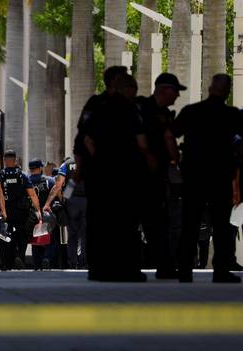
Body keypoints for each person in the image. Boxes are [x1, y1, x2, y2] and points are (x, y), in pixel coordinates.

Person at [172, 74, 243, 283]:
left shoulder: (192, 112)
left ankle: (185, 269)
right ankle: (220, 271)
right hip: (221, 177)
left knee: (190, 224)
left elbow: (170, 133)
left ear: (210, 88)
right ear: (228, 91)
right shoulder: (233, 115)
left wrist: (176, 158)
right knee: (221, 226)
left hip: (194, 176)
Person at [82, 73, 147, 282]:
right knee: (126, 223)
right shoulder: (130, 109)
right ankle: (127, 269)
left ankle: (98, 269)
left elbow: (87, 138)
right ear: (126, 89)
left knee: (100, 222)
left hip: (102, 174)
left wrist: (98, 162)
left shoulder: (97, 107)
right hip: (125, 174)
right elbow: (141, 141)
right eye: (133, 90)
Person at [134, 73, 183, 278]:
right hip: (141, 175)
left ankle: (163, 266)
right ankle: (160, 267)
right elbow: (167, 138)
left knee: (155, 223)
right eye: (175, 92)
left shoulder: (160, 112)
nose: (177, 97)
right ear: (165, 90)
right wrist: (174, 159)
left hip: (153, 177)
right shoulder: (144, 108)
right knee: (151, 223)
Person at [0, 150, 42, 270]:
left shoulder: (0, 175)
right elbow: (32, 195)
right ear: (15, 160)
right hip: (21, 211)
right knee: (22, 236)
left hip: (6, 210)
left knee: (5, 236)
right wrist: (38, 211)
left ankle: (7, 263)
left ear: (4, 161)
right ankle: (20, 256)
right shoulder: (22, 176)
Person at [43, 157, 87, 269]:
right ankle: (84, 263)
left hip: (71, 202)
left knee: (72, 235)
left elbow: (59, 185)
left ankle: (73, 263)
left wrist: (49, 203)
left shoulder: (66, 164)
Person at [29, 159, 56, 269]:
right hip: (46, 214)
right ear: (40, 168)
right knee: (51, 240)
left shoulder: (27, 180)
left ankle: (37, 265)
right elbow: (56, 192)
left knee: (35, 241)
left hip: (32, 215)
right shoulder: (49, 181)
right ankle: (47, 258)